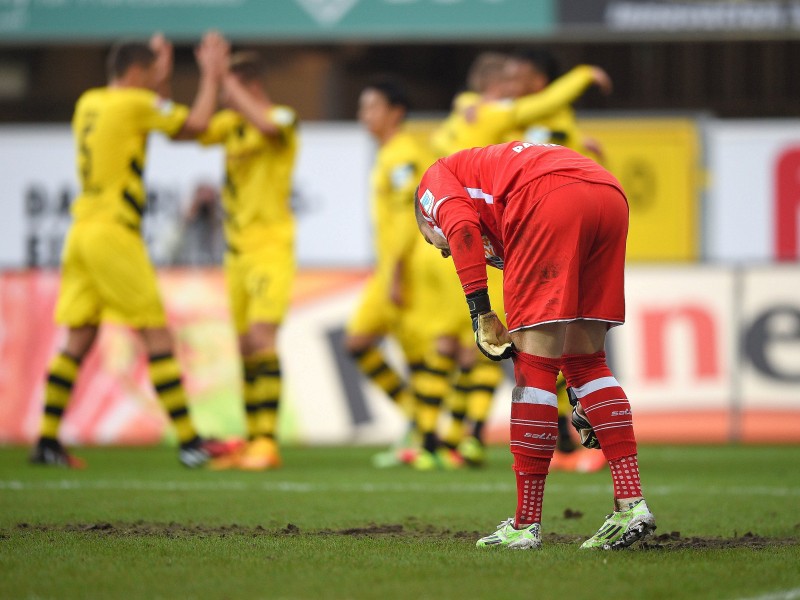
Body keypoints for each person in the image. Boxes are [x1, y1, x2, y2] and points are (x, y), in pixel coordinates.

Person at [414, 140, 656, 550]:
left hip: (545, 196)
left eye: (433, 245)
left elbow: (459, 227)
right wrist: (581, 397)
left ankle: (525, 525)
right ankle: (631, 505)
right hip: (608, 195)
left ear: (423, 218)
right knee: (587, 363)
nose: (444, 253)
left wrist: (480, 311)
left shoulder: (430, 187)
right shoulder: (495, 203)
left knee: (533, 367)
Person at [30, 32, 231, 469]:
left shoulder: (90, 102)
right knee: (155, 332)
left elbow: (152, 114)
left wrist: (158, 79)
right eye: (153, 77)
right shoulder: (134, 105)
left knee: (79, 338)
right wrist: (211, 77)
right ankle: (190, 441)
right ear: (139, 73)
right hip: (114, 235)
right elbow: (192, 126)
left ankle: (45, 442)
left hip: (81, 232)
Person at [428, 52, 613, 468]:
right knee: (525, 338)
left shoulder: (472, 117)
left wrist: (581, 148)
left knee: (504, 340)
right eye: (511, 81)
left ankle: (467, 436)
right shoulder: (490, 113)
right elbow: (536, 112)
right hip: (488, 232)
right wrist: (582, 72)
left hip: (488, 231)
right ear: (495, 85)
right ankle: (513, 436)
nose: (518, 89)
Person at [343, 79, 460, 469]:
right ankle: (419, 423)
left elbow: (413, 221)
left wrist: (395, 273)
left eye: (372, 106)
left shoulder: (404, 156)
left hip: (406, 270)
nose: (365, 114)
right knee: (363, 344)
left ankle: (427, 434)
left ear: (396, 111)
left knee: (413, 353)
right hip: (391, 268)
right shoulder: (390, 153)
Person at [196, 51, 299, 470]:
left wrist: (227, 82)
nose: (224, 99)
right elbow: (192, 129)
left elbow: (268, 125)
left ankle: (267, 441)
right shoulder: (228, 125)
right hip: (235, 252)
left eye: (229, 89)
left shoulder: (283, 117)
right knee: (243, 346)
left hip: (270, 247)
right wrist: (207, 76)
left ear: (248, 85)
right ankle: (252, 436)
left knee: (262, 337)